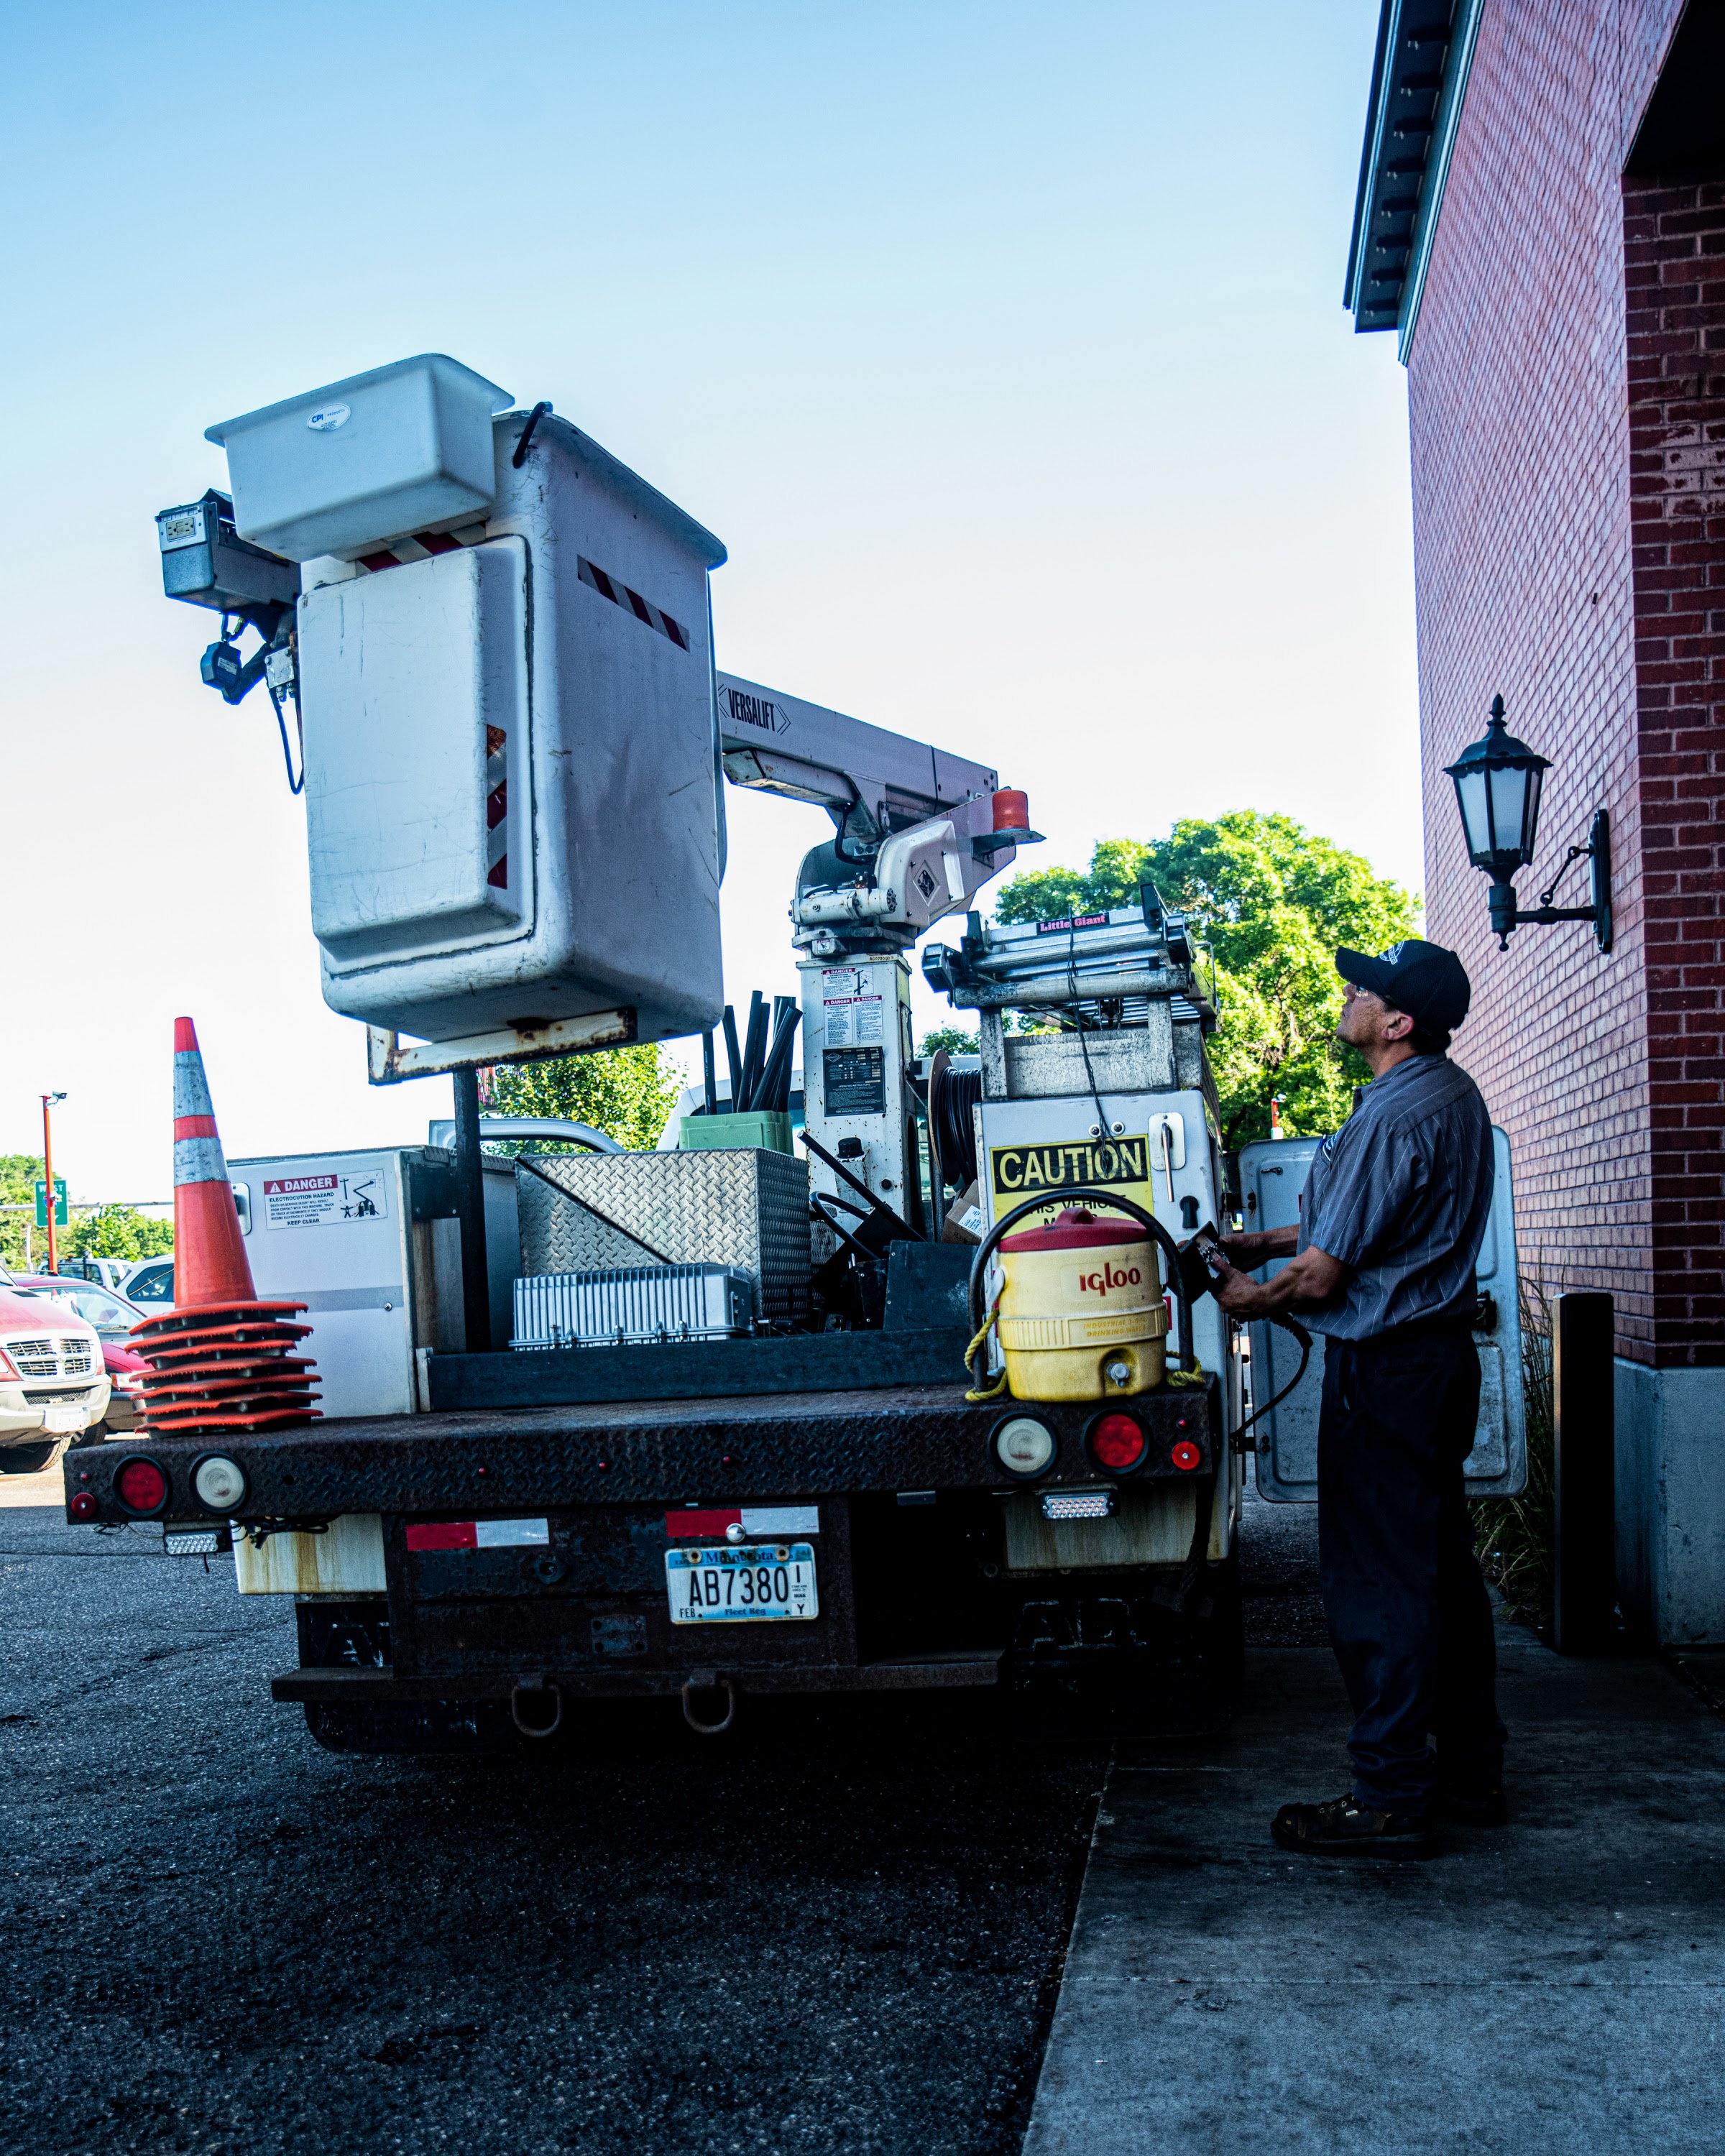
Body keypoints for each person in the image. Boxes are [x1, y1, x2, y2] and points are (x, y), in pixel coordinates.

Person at [1212, 938, 1505, 1859]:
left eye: (1363, 991)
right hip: (1435, 1365)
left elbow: (1327, 1274)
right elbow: (1368, 1218)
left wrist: (1250, 1298)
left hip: (1388, 1376)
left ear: (1398, 1023)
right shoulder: (1447, 1096)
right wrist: (1267, 1241)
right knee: (1440, 1575)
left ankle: (1387, 1796)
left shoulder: (1392, 1113)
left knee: (1379, 1584)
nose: (1348, 997)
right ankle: (1468, 1775)